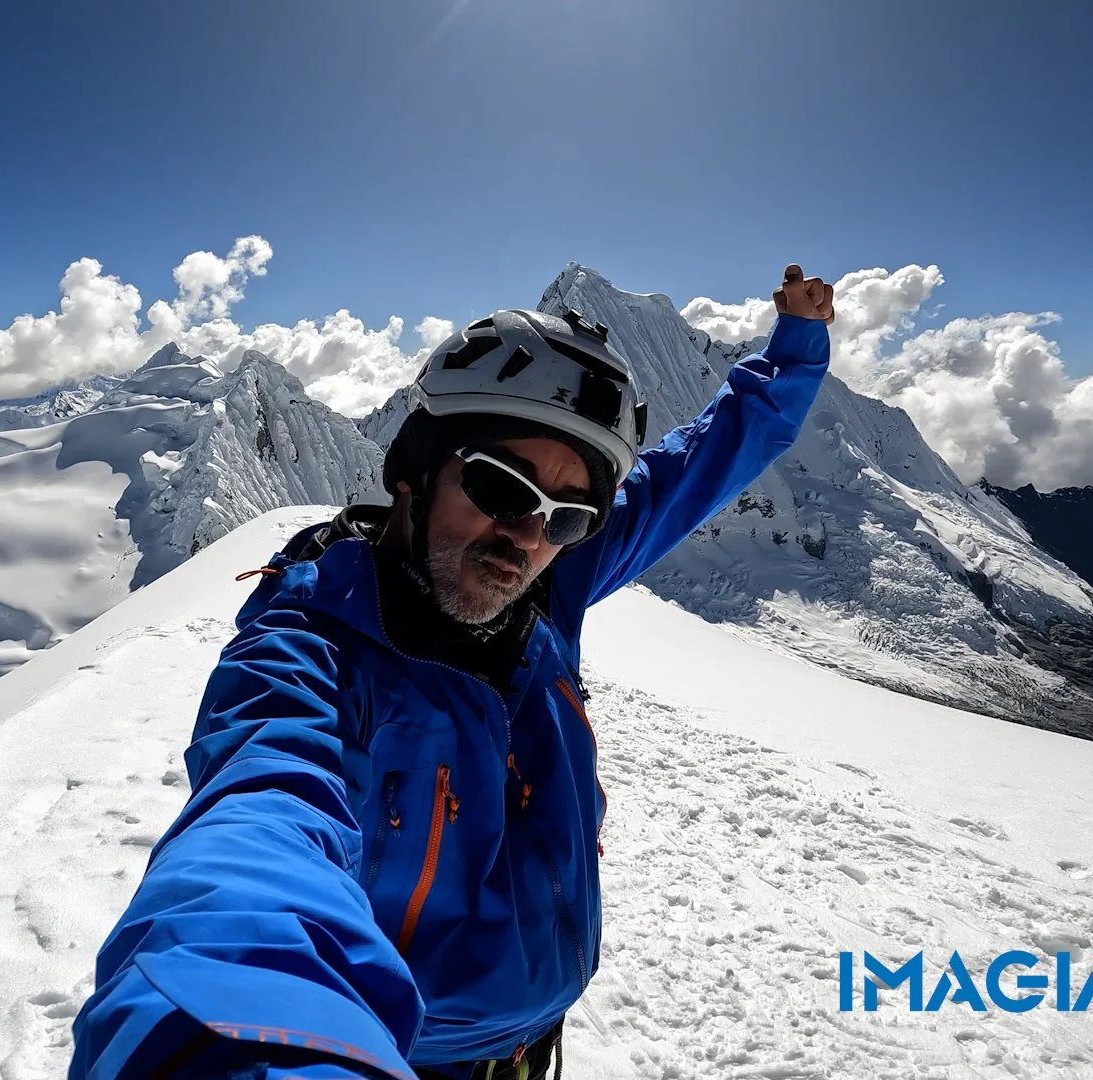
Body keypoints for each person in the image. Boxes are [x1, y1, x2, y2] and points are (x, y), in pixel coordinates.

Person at [70, 266, 836, 1080]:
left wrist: (797, 348)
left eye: (567, 517)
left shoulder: (548, 587)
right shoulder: (310, 652)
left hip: (528, 1046)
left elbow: (703, 462)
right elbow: (260, 825)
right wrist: (236, 1036)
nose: (527, 537)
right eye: (501, 487)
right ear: (415, 470)